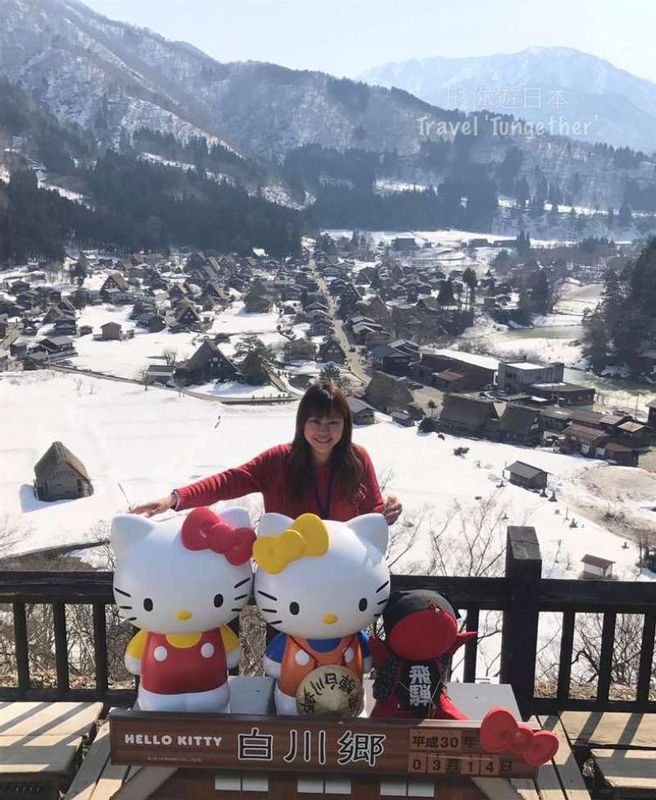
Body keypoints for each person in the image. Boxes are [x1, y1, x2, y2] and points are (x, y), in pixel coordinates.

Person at [131, 382, 402, 525]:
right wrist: (175, 499)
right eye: (315, 422)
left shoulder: (357, 460)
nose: (324, 431)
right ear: (302, 424)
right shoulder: (278, 461)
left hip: (340, 574)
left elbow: (372, 513)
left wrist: (387, 513)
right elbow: (229, 481)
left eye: (333, 423)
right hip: (287, 578)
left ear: (345, 425)